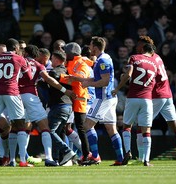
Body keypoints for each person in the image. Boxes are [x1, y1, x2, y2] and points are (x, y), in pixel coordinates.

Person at [68, 37, 124, 166]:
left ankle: (94, 156)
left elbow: (105, 81)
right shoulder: (105, 58)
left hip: (102, 98)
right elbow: (97, 78)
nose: (89, 48)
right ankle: (121, 158)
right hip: (109, 98)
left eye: (91, 45)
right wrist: (80, 79)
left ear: (95, 47)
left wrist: (89, 84)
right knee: (111, 129)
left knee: (87, 126)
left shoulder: (102, 60)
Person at [112, 36, 158, 167]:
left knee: (127, 126)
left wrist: (117, 88)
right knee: (146, 130)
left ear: (142, 48)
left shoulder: (135, 58)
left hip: (133, 97)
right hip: (147, 99)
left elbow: (128, 75)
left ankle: (128, 151)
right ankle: (146, 160)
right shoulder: (154, 64)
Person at [0, 38, 31, 167]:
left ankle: (8, 158)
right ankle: (22, 160)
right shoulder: (19, 58)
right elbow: (29, 76)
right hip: (12, 92)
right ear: (16, 48)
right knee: (20, 124)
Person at [59, 42, 92, 164]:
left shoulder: (81, 64)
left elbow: (78, 80)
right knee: (67, 128)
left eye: (65, 51)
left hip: (79, 100)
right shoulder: (71, 62)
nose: (64, 53)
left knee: (81, 129)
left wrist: (60, 77)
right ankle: (71, 155)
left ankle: (87, 155)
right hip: (70, 99)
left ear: (71, 53)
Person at [47, 50, 76, 165]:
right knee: (57, 133)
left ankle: (67, 150)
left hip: (58, 106)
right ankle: (56, 159)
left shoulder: (54, 72)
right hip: (68, 107)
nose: (51, 61)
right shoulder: (69, 71)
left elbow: (52, 80)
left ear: (56, 60)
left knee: (50, 131)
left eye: (52, 58)